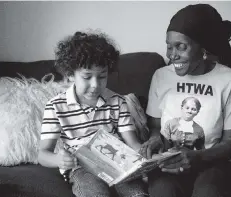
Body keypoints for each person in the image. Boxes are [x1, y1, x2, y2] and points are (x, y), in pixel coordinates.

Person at [139, 3, 231, 197]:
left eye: (181, 47)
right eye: (169, 46)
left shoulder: (229, 79)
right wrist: (155, 138)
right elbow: (155, 125)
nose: (172, 55)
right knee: (162, 191)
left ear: (203, 48)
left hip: (211, 162)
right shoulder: (161, 76)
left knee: (208, 191)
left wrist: (198, 157)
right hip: (168, 163)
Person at [38, 31, 148, 197]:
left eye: (102, 76)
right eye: (87, 77)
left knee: (137, 193)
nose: (95, 84)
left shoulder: (117, 101)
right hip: (81, 168)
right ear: (70, 75)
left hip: (119, 165)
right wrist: (58, 160)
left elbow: (132, 143)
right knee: (95, 193)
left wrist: (146, 161)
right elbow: (43, 154)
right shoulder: (55, 106)